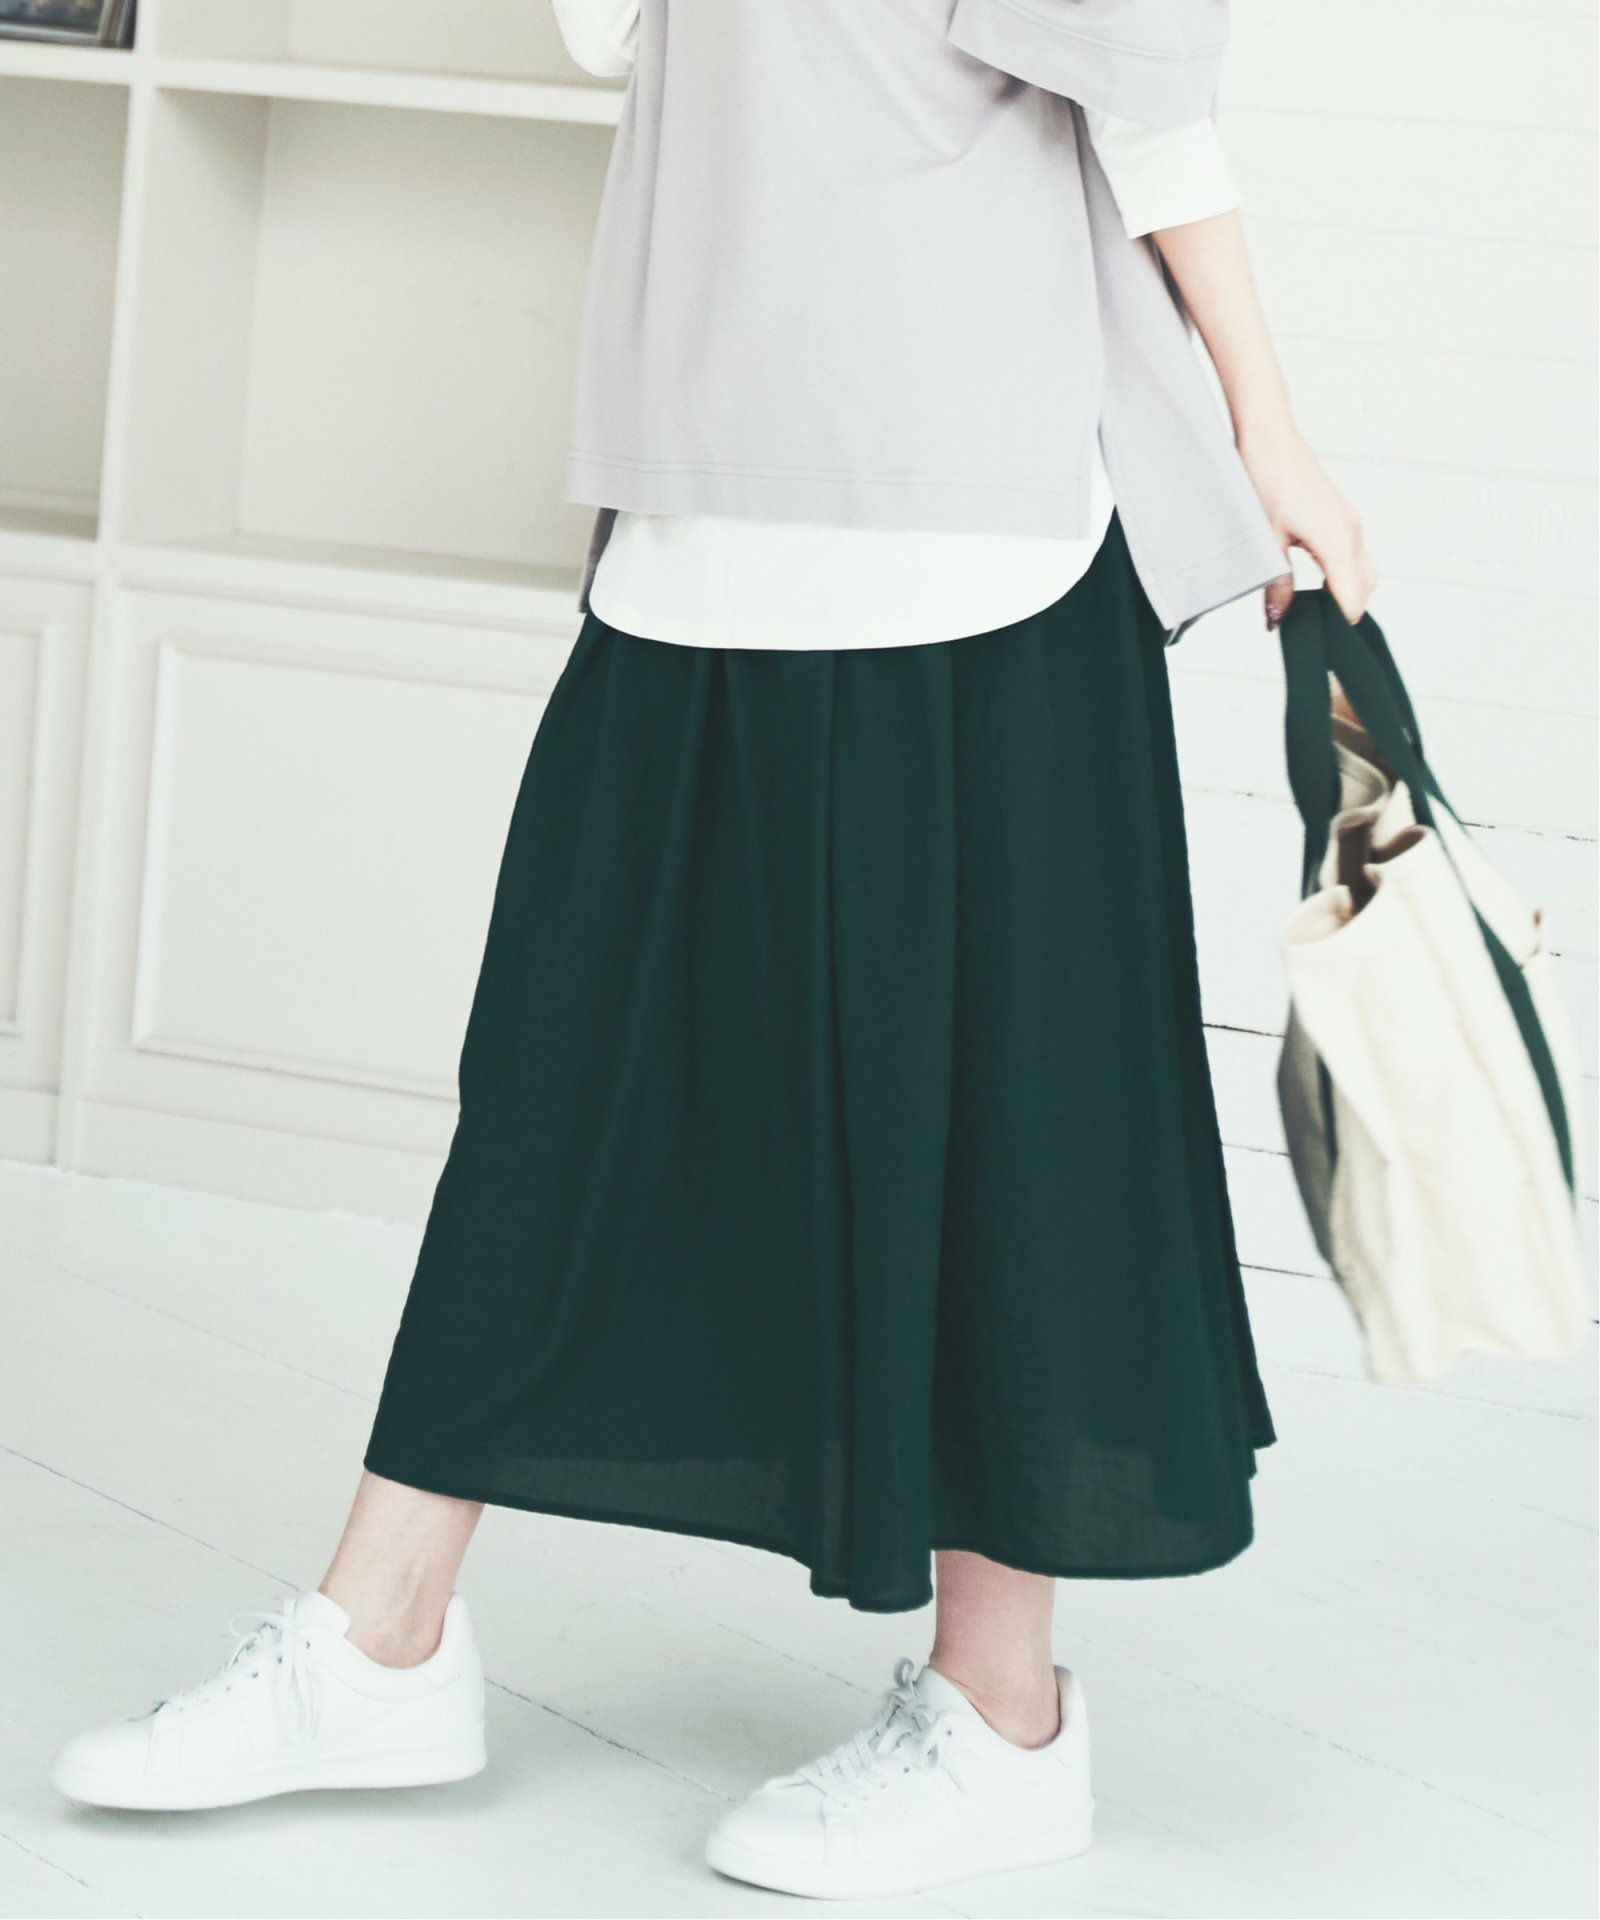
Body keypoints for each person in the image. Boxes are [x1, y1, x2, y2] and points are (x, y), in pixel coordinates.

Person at [52, 0, 1377, 1899]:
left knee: (1000, 1120)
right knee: (555, 1094)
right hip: (701, 491)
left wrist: (1268, 428)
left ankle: (1002, 1717)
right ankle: (381, 1640)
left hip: (970, 512)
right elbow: (609, 35)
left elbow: (1152, 103)